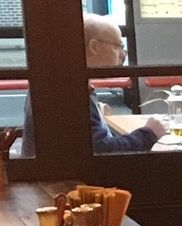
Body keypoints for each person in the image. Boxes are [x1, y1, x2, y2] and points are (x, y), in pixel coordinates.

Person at [17, 12, 166, 157]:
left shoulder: (58, 83)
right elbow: (101, 152)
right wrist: (148, 133)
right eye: (118, 46)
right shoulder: (71, 93)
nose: (123, 54)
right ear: (93, 47)